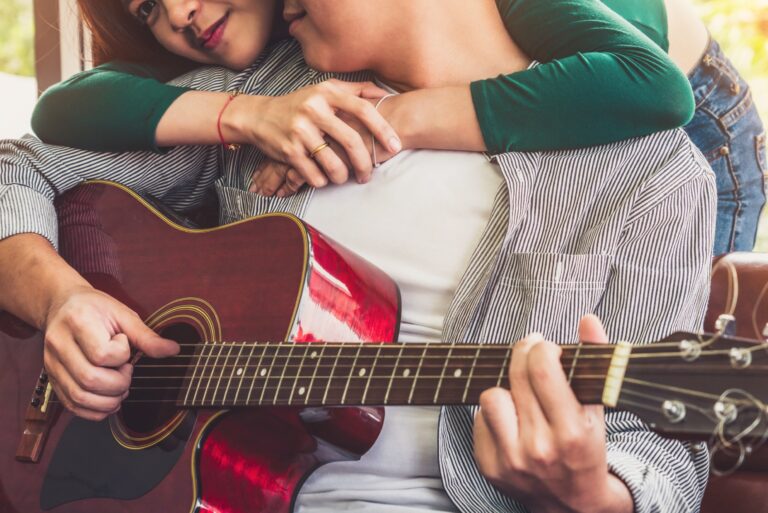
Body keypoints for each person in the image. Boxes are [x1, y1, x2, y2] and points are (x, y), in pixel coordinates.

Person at [0, 0, 716, 511]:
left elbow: (662, 458)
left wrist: (590, 490)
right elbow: (20, 169)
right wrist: (61, 298)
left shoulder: (652, 174)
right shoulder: (276, 99)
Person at [30, 0, 765, 255]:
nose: (180, 15)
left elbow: (651, 88)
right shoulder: (285, 44)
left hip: (694, 116)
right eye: (148, 12)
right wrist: (246, 115)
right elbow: (65, 107)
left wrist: (394, 120)